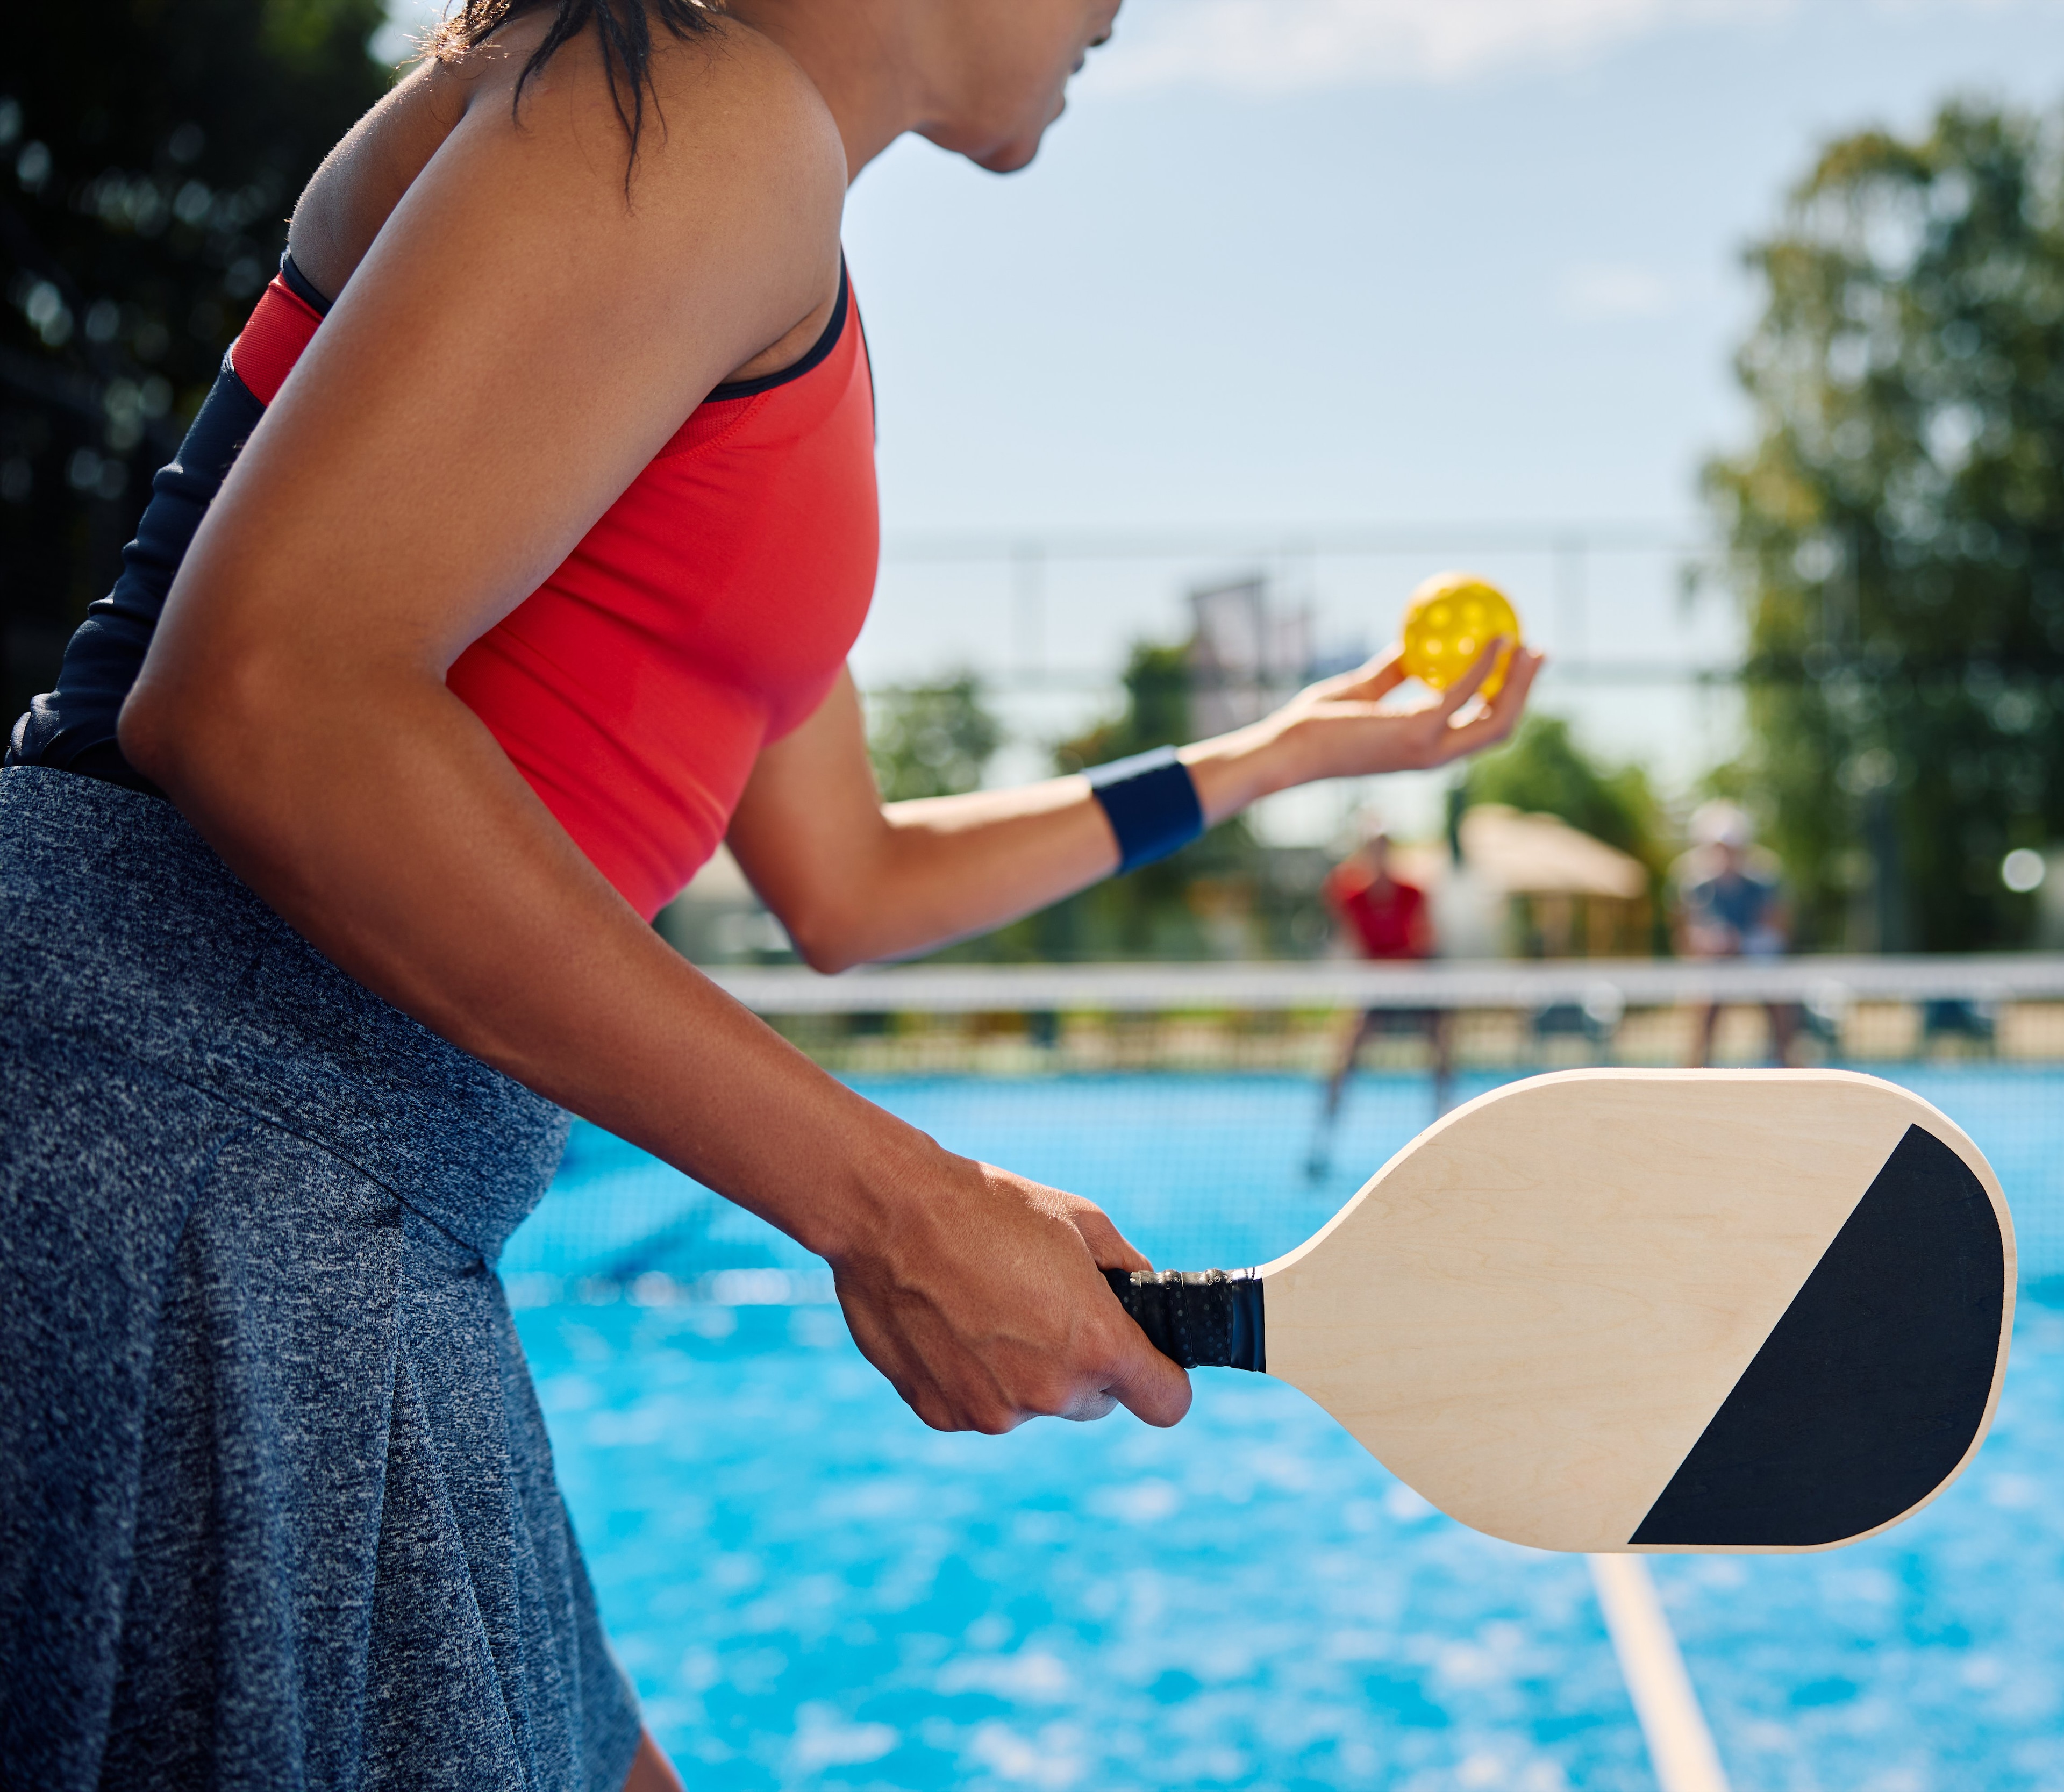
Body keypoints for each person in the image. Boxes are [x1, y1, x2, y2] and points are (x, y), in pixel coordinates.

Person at [0, 2, 1544, 1784]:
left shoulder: (749, 223)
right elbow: (266, 694)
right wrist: (896, 1205)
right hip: (192, 1146)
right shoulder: (704, 111)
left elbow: (851, 883)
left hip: (334, 1180)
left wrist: (1269, 759)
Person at [1305, 816, 1454, 1179]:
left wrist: (1405, 970)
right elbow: (1348, 932)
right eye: (1373, 845)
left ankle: (1447, 1133)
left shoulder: (1413, 892)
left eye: (1384, 844)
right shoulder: (1351, 893)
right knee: (1343, 1058)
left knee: (1444, 1050)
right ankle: (1321, 1142)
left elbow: (1426, 939)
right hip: (1376, 988)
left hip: (1416, 983)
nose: (1379, 852)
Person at [1673, 801, 1804, 1068]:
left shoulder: (1765, 882)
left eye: (1731, 848)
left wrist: (1740, 943)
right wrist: (1707, 945)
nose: (1725, 854)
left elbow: (1778, 931)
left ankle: (1792, 1068)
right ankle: (1692, 1077)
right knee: (1703, 1011)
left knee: (1781, 1008)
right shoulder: (1695, 886)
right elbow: (1687, 937)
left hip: (1759, 963)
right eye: (1719, 848)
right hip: (1715, 969)